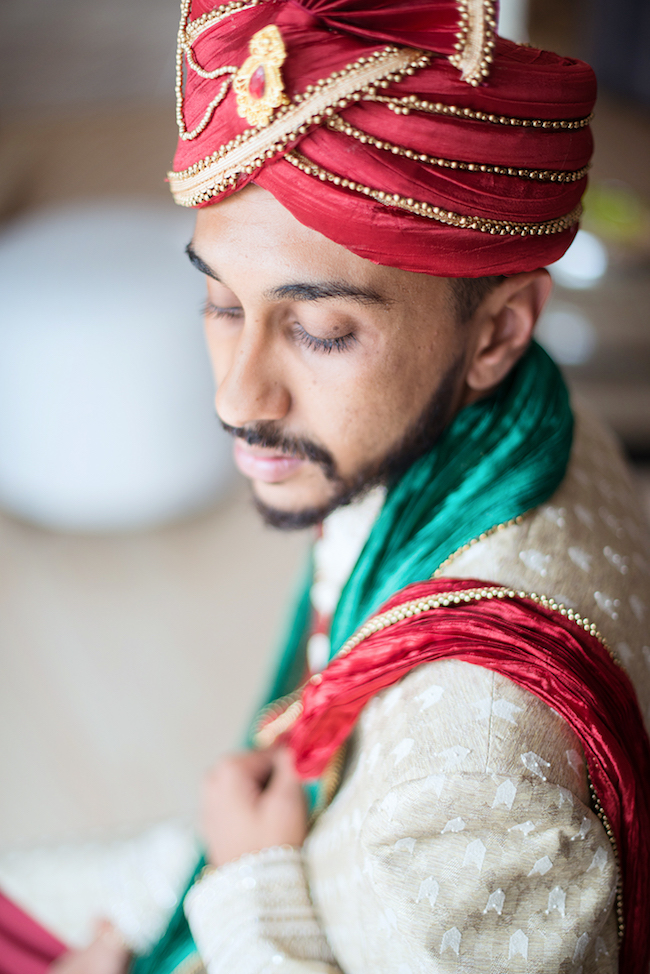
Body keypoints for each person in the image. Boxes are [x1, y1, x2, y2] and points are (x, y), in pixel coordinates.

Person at [2, 1, 650, 972]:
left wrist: (248, 877)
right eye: (221, 301)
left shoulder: (483, 785)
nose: (235, 395)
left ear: (497, 331)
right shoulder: (526, 420)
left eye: (321, 331)